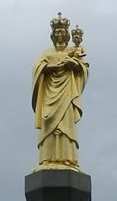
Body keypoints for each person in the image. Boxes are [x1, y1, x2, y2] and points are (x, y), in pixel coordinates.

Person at [32, 13, 89, 170]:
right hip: (50, 94)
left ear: (67, 35)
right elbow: (37, 68)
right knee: (49, 124)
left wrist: (74, 65)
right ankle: (47, 160)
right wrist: (52, 67)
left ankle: (67, 160)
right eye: (57, 32)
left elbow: (84, 67)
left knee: (65, 125)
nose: (60, 35)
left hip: (67, 94)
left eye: (62, 32)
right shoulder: (47, 53)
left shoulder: (71, 52)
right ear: (53, 35)